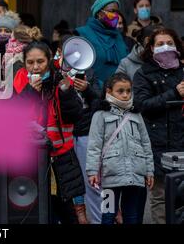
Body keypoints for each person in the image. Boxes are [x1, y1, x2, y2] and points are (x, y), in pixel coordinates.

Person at [13, 41, 84, 224]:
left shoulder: (60, 79)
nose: (35, 67)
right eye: (30, 62)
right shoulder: (20, 80)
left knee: (68, 213)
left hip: (61, 159)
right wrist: (30, 92)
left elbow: (75, 115)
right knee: (39, 214)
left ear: (49, 61)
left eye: (40, 61)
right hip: (33, 158)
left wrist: (66, 90)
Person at [87, 73, 154, 224]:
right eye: (120, 91)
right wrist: (92, 171)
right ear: (109, 91)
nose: (125, 95)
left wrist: (149, 170)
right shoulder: (100, 114)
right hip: (109, 176)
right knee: (108, 214)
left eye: (128, 91)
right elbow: (94, 145)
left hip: (134, 174)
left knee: (131, 215)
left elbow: (145, 144)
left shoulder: (136, 114)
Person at [133, 28, 184, 224]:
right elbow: (142, 105)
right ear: (151, 48)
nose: (165, 47)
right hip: (158, 145)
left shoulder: (183, 71)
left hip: (181, 141)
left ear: (177, 46)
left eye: (169, 43)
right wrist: (174, 93)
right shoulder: (143, 74)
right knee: (160, 198)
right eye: (160, 44)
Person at [55, 34, 102, 224]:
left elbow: (100, 102)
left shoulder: (88, 71)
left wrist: (88, 89)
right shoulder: (52, 69)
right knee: (66, 178)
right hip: (61, 132)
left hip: (83, 130)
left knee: (88, 175)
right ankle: (76, 213)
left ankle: (94, 215)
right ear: (59, 52)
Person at [76, 0, 128, 86]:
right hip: (93, 92)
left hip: (120, 92)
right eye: (112, 11)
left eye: (117, 12)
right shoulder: (83, 33)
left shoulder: (118, 36)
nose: (116, 15)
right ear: (99, 13)